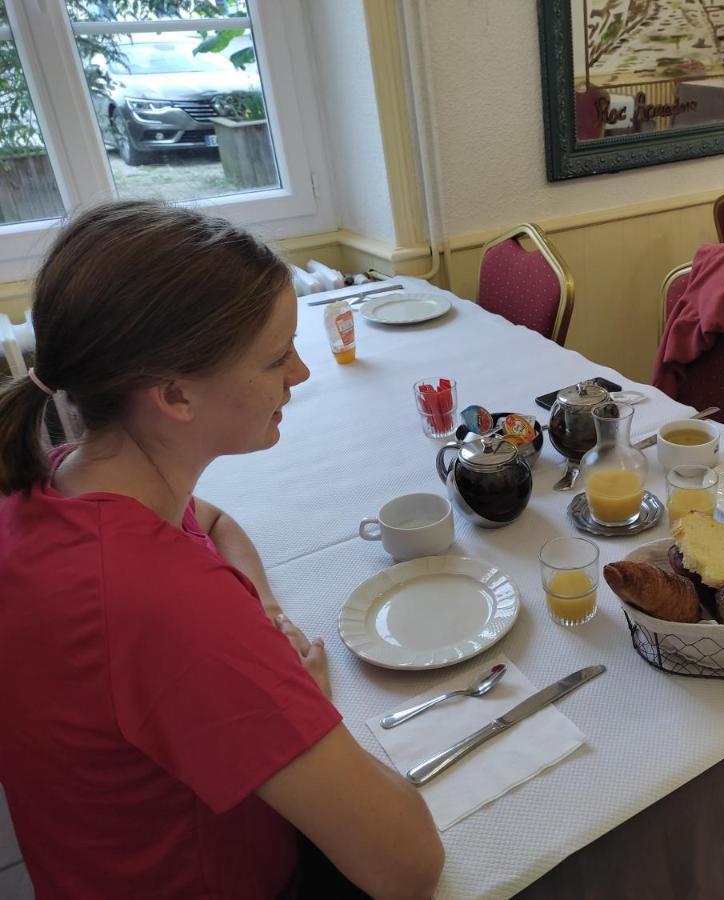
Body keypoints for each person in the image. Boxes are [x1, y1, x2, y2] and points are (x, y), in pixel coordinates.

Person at [0, 201, 444, 899]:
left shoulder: (64, 481)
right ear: (174, 393)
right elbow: (408, 865)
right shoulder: (166, 606)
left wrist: (262, 610)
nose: (298, 373)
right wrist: (297, 697)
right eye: (275, 358)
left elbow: (210, 519)